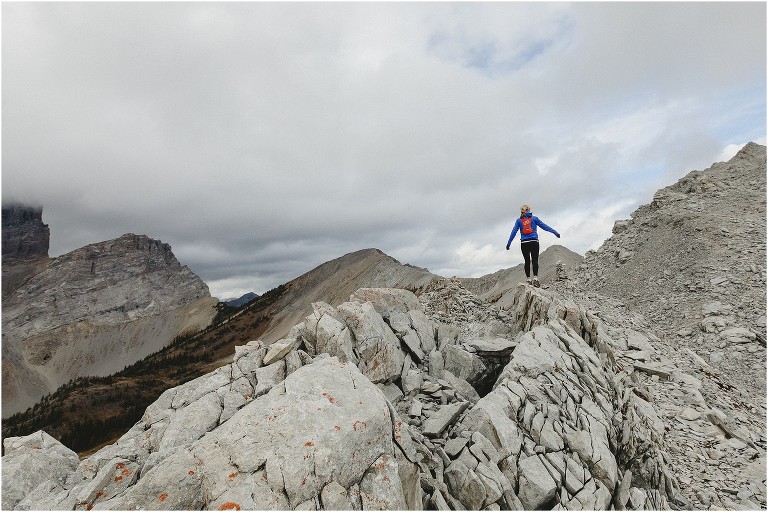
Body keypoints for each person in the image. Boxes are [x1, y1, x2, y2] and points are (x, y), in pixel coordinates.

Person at [506, 204, 560, 287]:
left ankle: (528, 280)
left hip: (524, 243)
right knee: (535, 260)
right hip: (534, 241)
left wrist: (509, 243)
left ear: (521, 211)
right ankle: (535, 279)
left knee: (527, 261)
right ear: (529, 210)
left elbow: (514, 232)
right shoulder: (534, 218)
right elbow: (544, 226)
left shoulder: (518, 221)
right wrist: (555, 232)